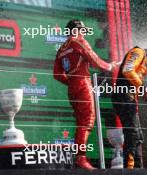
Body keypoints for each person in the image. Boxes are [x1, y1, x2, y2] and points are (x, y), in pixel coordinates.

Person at [53, 19, 117, 170]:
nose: (83, 32)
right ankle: (81, 159)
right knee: (87, 121)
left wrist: (71, 82)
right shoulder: (79, 41)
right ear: (75, 31)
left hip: (73, 88)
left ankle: (79, 158)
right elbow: (94, 59)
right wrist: (110, 66)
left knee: (81, 123)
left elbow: (57, 74)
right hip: (82, 84)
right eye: (81, 29)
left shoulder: (61, 49)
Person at [111, 46, 147, 169]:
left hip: (129, 98)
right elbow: (127, 70)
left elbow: (134, 83)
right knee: (132, 133)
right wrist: (143, 88)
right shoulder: (139, 52)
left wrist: (144, 94)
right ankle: (129, 168)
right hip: (122, 96)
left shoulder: (146, 65)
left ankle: (138, 168)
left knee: (137, 136)